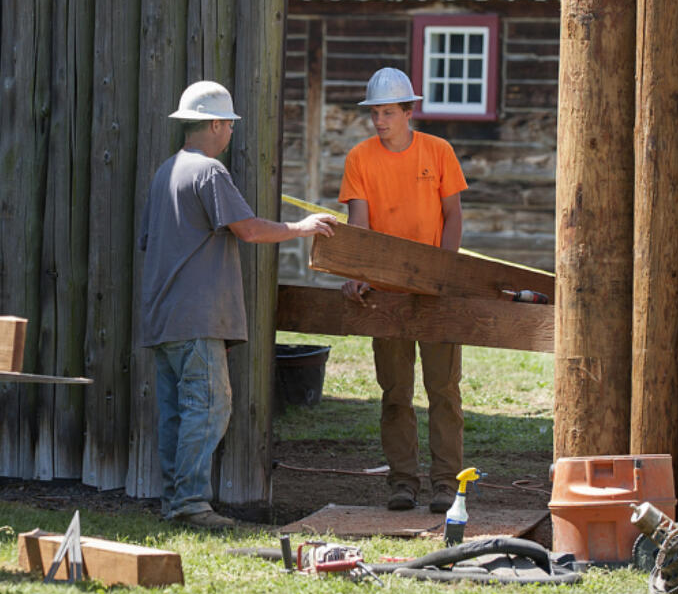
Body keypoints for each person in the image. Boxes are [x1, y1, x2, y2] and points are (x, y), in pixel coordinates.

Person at [139, 80, 336, 530]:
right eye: (228, 123)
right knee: (210, 407)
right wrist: (301, 227)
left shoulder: (165, 172)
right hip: (196, 316)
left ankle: (175, 501)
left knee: (178, 411)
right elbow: (247, 230)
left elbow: (152, 243)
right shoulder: (209, 173)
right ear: (214, 123)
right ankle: (189, 504)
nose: (230, 132)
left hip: (164, 316)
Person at [338, 67, 467, 514]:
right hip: (386, 293)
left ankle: (447, 485)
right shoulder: (360, 158)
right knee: (395, 392)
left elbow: (453, 215)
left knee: (444, 390)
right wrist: (356, 270)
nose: (379, 121)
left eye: (388, 112)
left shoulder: (439, 151)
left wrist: (443, 273)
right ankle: (403, 482)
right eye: (374, 112)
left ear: (409, 111)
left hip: (434, 291)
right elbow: (359, 223)